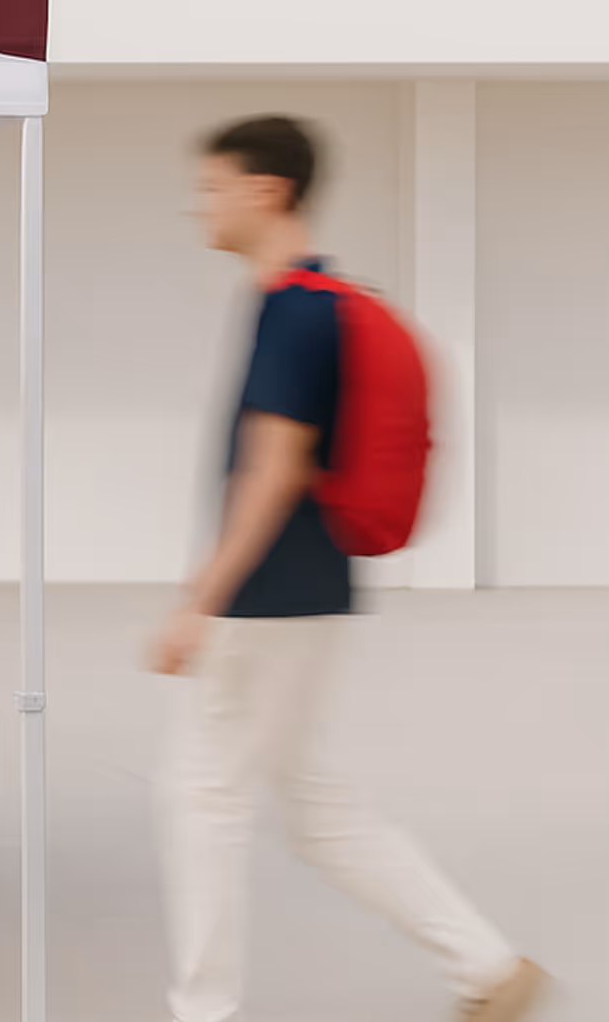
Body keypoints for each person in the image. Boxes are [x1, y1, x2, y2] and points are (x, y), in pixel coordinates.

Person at [151, 115, 545, 1022]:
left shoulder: (291, 311)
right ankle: (487, 967)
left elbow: (273, 469)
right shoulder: (314, 302)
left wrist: (199, 601)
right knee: (317, 808)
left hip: (265, 598)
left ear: (266, 191)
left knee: (201, 797)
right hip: (312, 587)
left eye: (212, 188)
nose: (198, 206)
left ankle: (204, 1008)